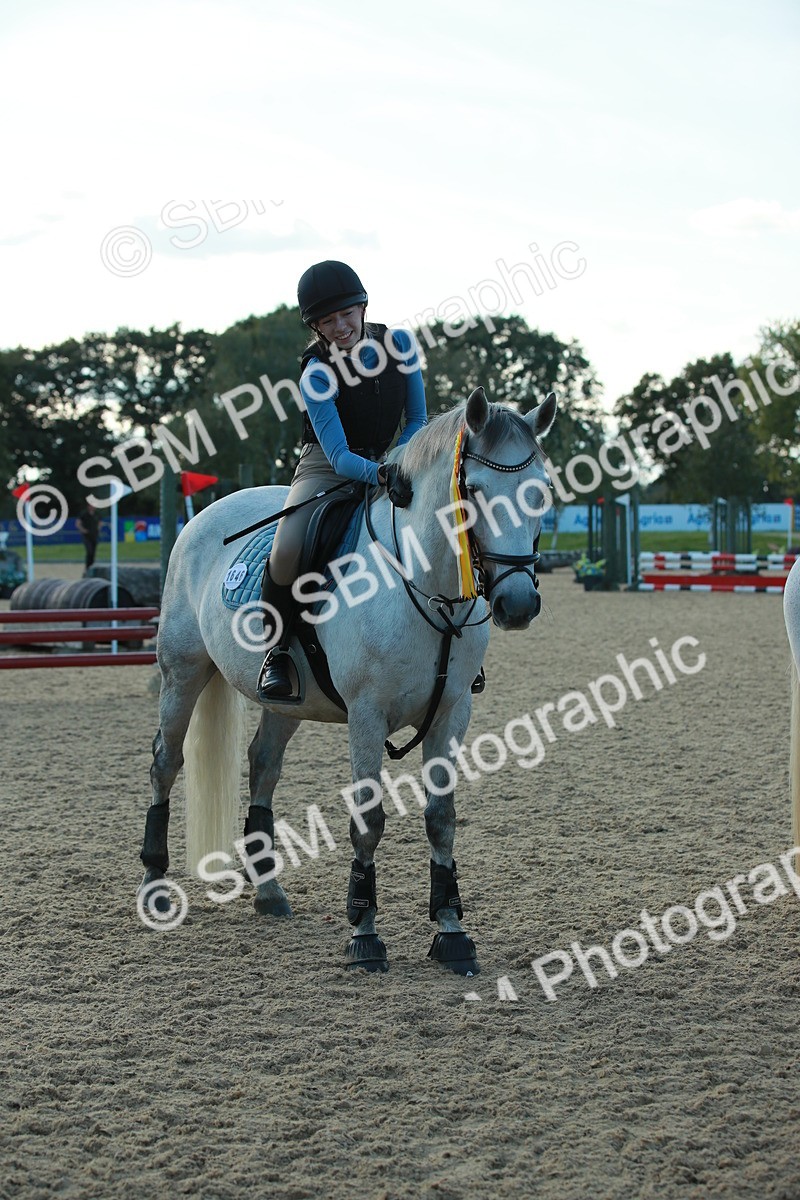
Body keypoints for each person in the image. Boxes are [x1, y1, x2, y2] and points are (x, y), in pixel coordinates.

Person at [257, 260, 427, 701]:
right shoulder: (316, 372)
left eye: (347, 314)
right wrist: (383, 472)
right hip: (325, 468)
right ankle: (276, 651)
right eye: (328, 321)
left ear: (364, 306)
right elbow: (338, 455)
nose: (340, 326)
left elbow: (419, 419)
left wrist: (398, 461)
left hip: (392, 459)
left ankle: (458, 643)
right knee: (289, 546)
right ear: (315, 325)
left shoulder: (400, 344)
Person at [76, 502, 99, 570]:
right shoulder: (83, 514)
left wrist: (97, 529)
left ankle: (92, 566)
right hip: (86, 536)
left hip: (94, 535)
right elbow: (78, 523)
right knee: (89, 551)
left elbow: (100, 523)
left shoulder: (97, 514)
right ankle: (87, 567)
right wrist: (83, 530)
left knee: (93, 552)